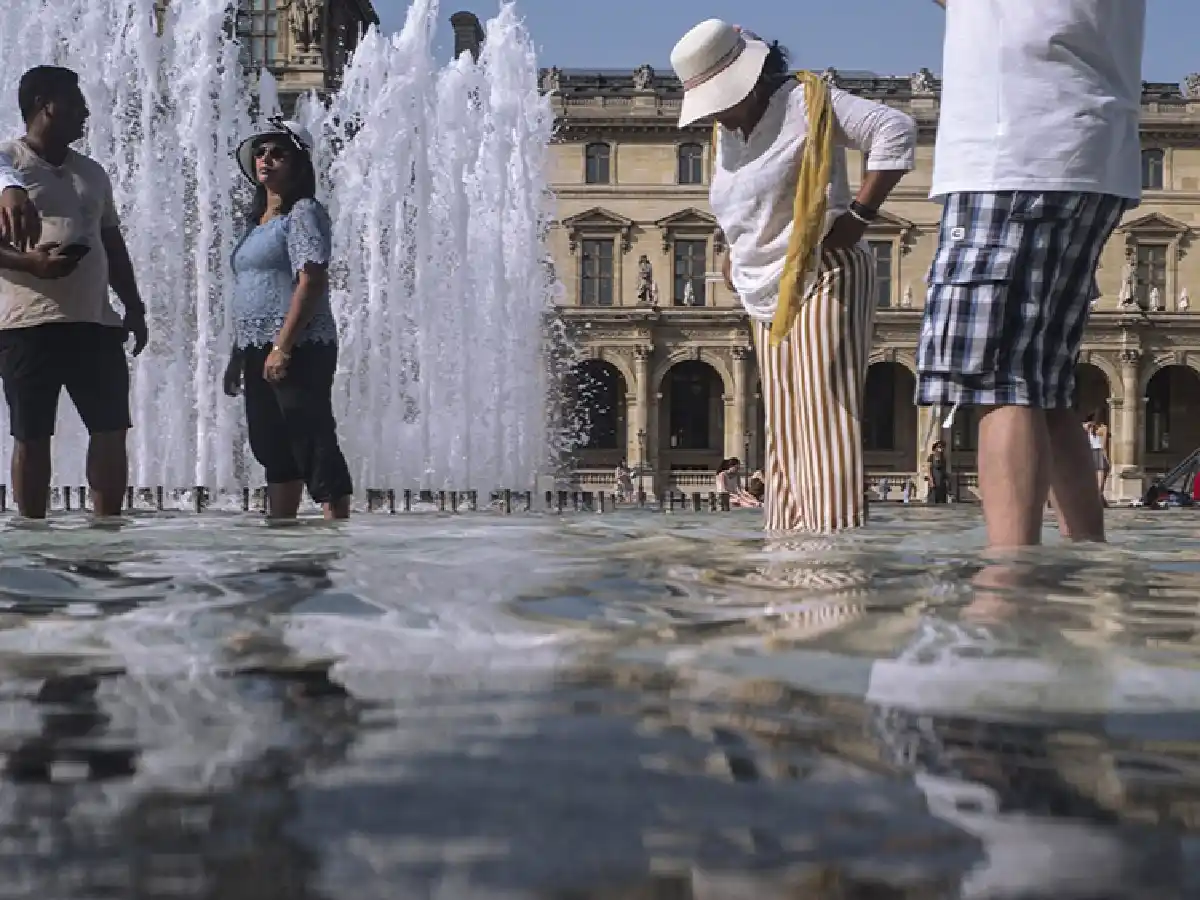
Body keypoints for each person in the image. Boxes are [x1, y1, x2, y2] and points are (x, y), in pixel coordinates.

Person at [670, 19, 916, 533]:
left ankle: (833, 549)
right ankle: (786, 540)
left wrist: (859, 218)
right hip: (765, 287)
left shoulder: (806, 101)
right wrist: (730, 254)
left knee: (824, 413)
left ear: (749, 79)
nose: (713, 112)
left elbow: (894, 130)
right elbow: (741, 207)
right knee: (780, 423)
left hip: (825, 270)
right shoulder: (726, 133)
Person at [919, 1, 1145, 548]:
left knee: (1001, 382)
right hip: (1096, 148)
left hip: (1013, 147)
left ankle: (1009, 585)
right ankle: (1085, 558)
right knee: (1049, 386)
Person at [0, 66, 147, 519]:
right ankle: (33, 532)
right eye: (76, 102)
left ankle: (107, 531)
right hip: (30, 322)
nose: (86, 112)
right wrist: (32, 264)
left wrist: (134, 305)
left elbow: (112, 241)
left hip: (96, 322)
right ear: (48, 104)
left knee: (110, 430)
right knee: (32, 434)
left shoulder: (92, 172)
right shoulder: (7, 163)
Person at [223, 118, 352, 520]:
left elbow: (311, 281)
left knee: (310, 437)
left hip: (299, 344)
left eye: (278, 153)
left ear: (298, 164)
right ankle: (282, 532)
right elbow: (250, 290)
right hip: (257, 346)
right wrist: (238, 355)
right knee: (270, 443)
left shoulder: (303, 213)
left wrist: (283, 346)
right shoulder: (253, 224)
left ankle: (336, 529)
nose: (266, 159)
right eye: (260, 152)